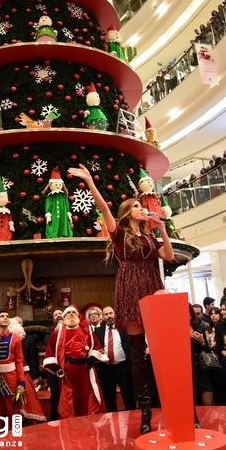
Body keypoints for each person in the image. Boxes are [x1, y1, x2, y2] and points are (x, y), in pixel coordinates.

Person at [67, 163, 174, 434]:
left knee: (165, 350)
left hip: (151, 284)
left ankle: (179, 405)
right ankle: (146, 412)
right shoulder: (119, 233)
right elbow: (104, 208)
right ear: (128, 213)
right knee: (137, 355)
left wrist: (161, 228)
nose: (141, 208)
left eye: (141, 206)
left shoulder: (149, 237)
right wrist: (91, 181)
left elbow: (169, 256)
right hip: (130, 289)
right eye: (136, 206)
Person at [44, 305, 107, 419]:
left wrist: (92, 357)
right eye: (68, 313)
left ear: (78, 315)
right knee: (69, 398)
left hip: (84, 371)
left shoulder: (85, 330)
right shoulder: (57, 332)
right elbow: (50, 351)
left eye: (73, 312)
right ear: (64, 317)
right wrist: (56, 366)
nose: (71, 314)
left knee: (86, 396)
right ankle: (70, 422)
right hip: (67, 372)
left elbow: (96, 346)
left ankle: (87, 420)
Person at [0, 311, 45, 424]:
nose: (5, 318)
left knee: (13, 411)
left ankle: (16, 438)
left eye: (7, 317)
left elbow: (19, 362)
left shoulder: (15, 339)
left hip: (11, 379)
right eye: (2, 316)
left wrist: (22, 382)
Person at [94, 306, 136, 413]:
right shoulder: (98, 331)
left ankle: (132, 421)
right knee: (109, 400)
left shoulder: (123, 329)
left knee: (129, 397)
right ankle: (111, 425)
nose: (109, 316)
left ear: (115, 314)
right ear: (102, 317)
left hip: (123, 368)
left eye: (110, 313)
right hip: (106, 369)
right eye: (106, 314)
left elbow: (131, 346)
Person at [13, 316, 40, 385]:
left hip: (27, 373)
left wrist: (35, 377)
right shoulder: (9, 339)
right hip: (12, 373)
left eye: (19, 323)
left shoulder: (30, 338)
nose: (17, 325)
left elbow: (34, 358)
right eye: (15, 323)